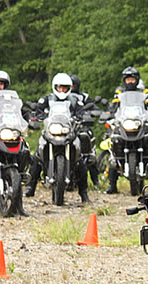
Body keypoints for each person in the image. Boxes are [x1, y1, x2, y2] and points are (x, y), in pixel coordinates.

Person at [25, 72, 90, 203]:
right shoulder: (46, 99)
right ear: (55, 87)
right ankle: (30, 187)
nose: (62, 90)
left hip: (68, 132)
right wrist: (36, 117)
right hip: (50, 131)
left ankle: (83, 193)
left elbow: (82, 112)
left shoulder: (75, 100)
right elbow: (37, 111)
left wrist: (82, 117)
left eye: (65, 88)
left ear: (69, 88)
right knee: (37, 157)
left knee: (80, 161)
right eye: (60, 87)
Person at [104, 66, 148, 194]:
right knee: (114, 145)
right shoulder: (119, 93)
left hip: (139, 122)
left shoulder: (144, 92)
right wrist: (108, 113)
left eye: (132, 79)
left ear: (137, 80)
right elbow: (114, 105)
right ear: (124, 80)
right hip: (124, 122)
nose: (130, 82)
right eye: (128, 79)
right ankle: (112, 184)